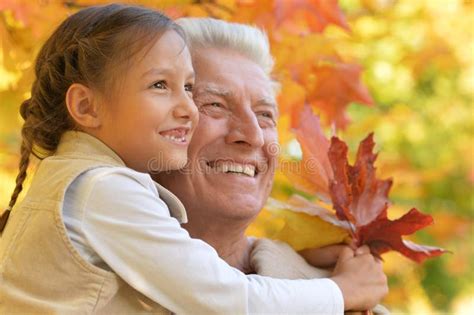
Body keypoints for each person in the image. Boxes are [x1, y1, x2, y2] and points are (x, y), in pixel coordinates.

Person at [0, 4, 382, 314]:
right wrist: (341, 291)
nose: (187, 109)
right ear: (86, 105)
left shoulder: (85, 196)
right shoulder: (101, 188)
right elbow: (229, 300)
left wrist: (302, 264)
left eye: (266, 114)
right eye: (212, 103)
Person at [154, 17, 389, 313]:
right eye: (214, 104)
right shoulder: (93, 271)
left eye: (265, 114)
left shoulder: (350, 298)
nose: (252, 135)